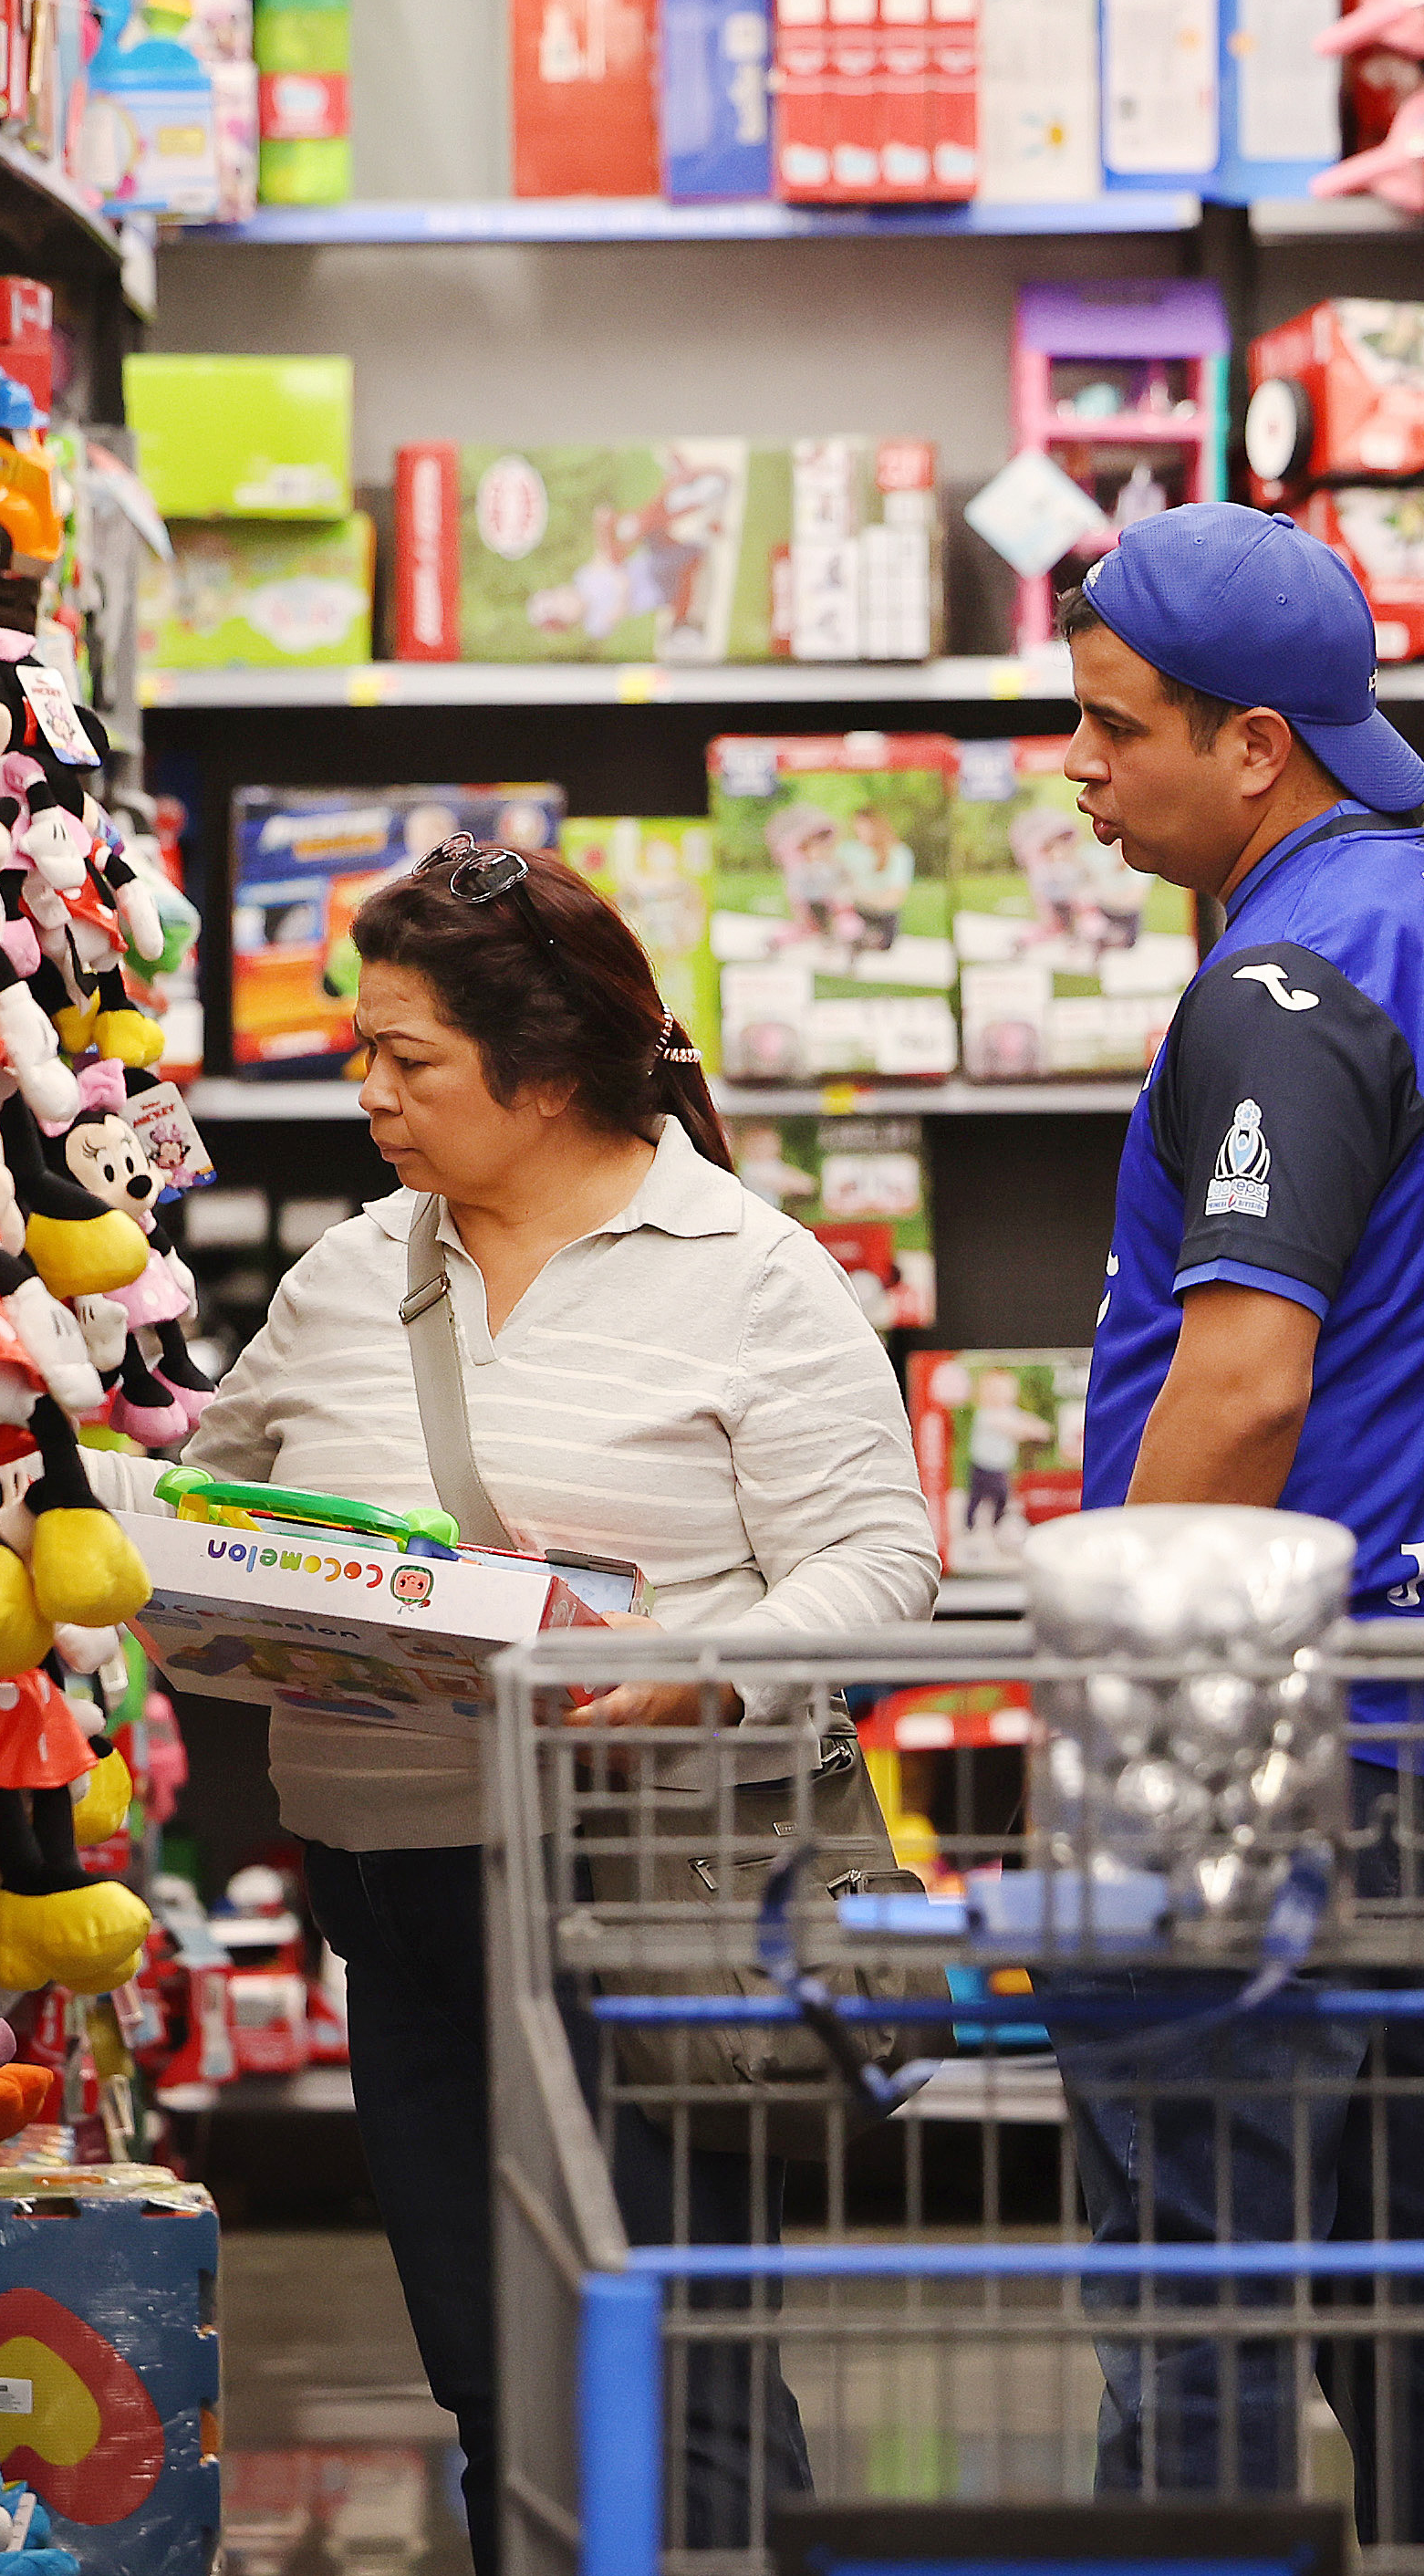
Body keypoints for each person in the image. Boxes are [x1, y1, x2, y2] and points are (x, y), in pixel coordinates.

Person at [181, 840, 938, 2572]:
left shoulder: (748, 1270)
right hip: (402, 1900)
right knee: (491, 2374)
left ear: (546, 1067)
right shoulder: (346, 1275)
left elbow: (880, 1558)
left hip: (650, 1892)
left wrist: (704, 1668)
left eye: (408, 1059)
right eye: (361, 1051)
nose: (366, 1092)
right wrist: (241, 1598)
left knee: (679, 2371)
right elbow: (216, 1510)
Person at [1045, 501, 1424, 2543]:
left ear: (1256, 745)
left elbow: (1246, 1380)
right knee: (1412, 2311)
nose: (1075, 766)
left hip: (1264, 1746)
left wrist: (1126, 1702)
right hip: (1423, 1723)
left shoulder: (1283, 975)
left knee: (1196, 2320)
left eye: (1111, 726)